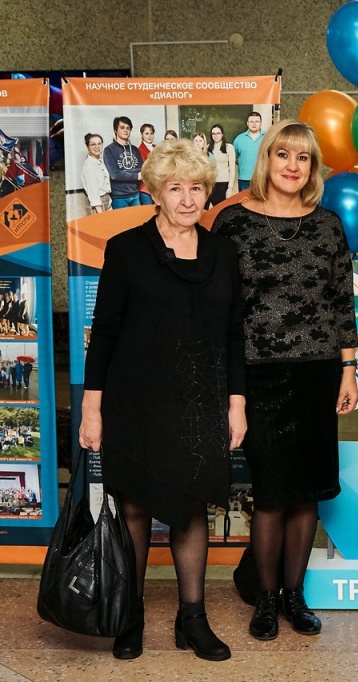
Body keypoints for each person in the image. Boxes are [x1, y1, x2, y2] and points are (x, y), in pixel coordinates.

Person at [79, 138, 246, 662]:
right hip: (135, 400)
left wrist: (237, 404)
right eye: (175, 188)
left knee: (191, 507)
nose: (188, 199)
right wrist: (91, 409)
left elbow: (235, 334)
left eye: (197, 187)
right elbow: (104, 333)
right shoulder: (126, 249)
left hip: (200, 402)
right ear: (154, 192)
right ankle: (129, 616)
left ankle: (192, 618)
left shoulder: (223, 252)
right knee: (133, 506)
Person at [213, 119, 358, 641]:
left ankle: (296, 597)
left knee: (307, 492)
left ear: (312, 168)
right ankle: (266, 599)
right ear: (266, 160)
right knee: (272, 492)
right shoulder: (233, 222)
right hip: (257, 374)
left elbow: (342, 302)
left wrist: (348, 370)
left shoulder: (328, 225)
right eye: (283, 155)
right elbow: (219, 305)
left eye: (303, 158)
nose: (292, 166)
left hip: (318, 371)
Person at [102, 116, 142, 208]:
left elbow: (142, 169)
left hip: (135, 195)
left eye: (128, 128)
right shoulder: (109, 150)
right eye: (122, 127)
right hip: (119, 198)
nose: (125, 130)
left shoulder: (135, 149)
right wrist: (136, 176)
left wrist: (124, 172)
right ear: (115, 130)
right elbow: (115, 174)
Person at [232, 111, 265, 191]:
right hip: (244, 179)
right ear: (247, 123)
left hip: (262, 178)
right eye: (251, 121)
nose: (254, 124)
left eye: (257, 121)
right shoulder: (239, 139)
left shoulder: (267, 137)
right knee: (244, 199)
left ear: (260, 123)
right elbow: (234, 157)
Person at [207, 124, 237, 208]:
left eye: (218, 133)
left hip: (223, 183)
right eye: (213, 134)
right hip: (211, 183)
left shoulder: (229, 147)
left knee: (221, 209)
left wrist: (230, 187)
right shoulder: (208, 148)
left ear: (222, 134)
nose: (216, 136)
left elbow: (232, 169)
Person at [80, 133, 111, 214]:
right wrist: (100, 212)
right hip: (98, 204)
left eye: (99, 144)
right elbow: (93, 191)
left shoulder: (100, 161)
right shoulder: (89, 165)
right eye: (93, 144)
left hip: (107, 199)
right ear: (87, 147)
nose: (97, 147)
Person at [137, 123, 157, 205]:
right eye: (147, 133)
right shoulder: (138, 150)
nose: (149, 136)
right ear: (142, 134)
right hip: (145, 188)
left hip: (157, 187)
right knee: (148, 211)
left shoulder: (157, 148)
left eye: (151, 133)